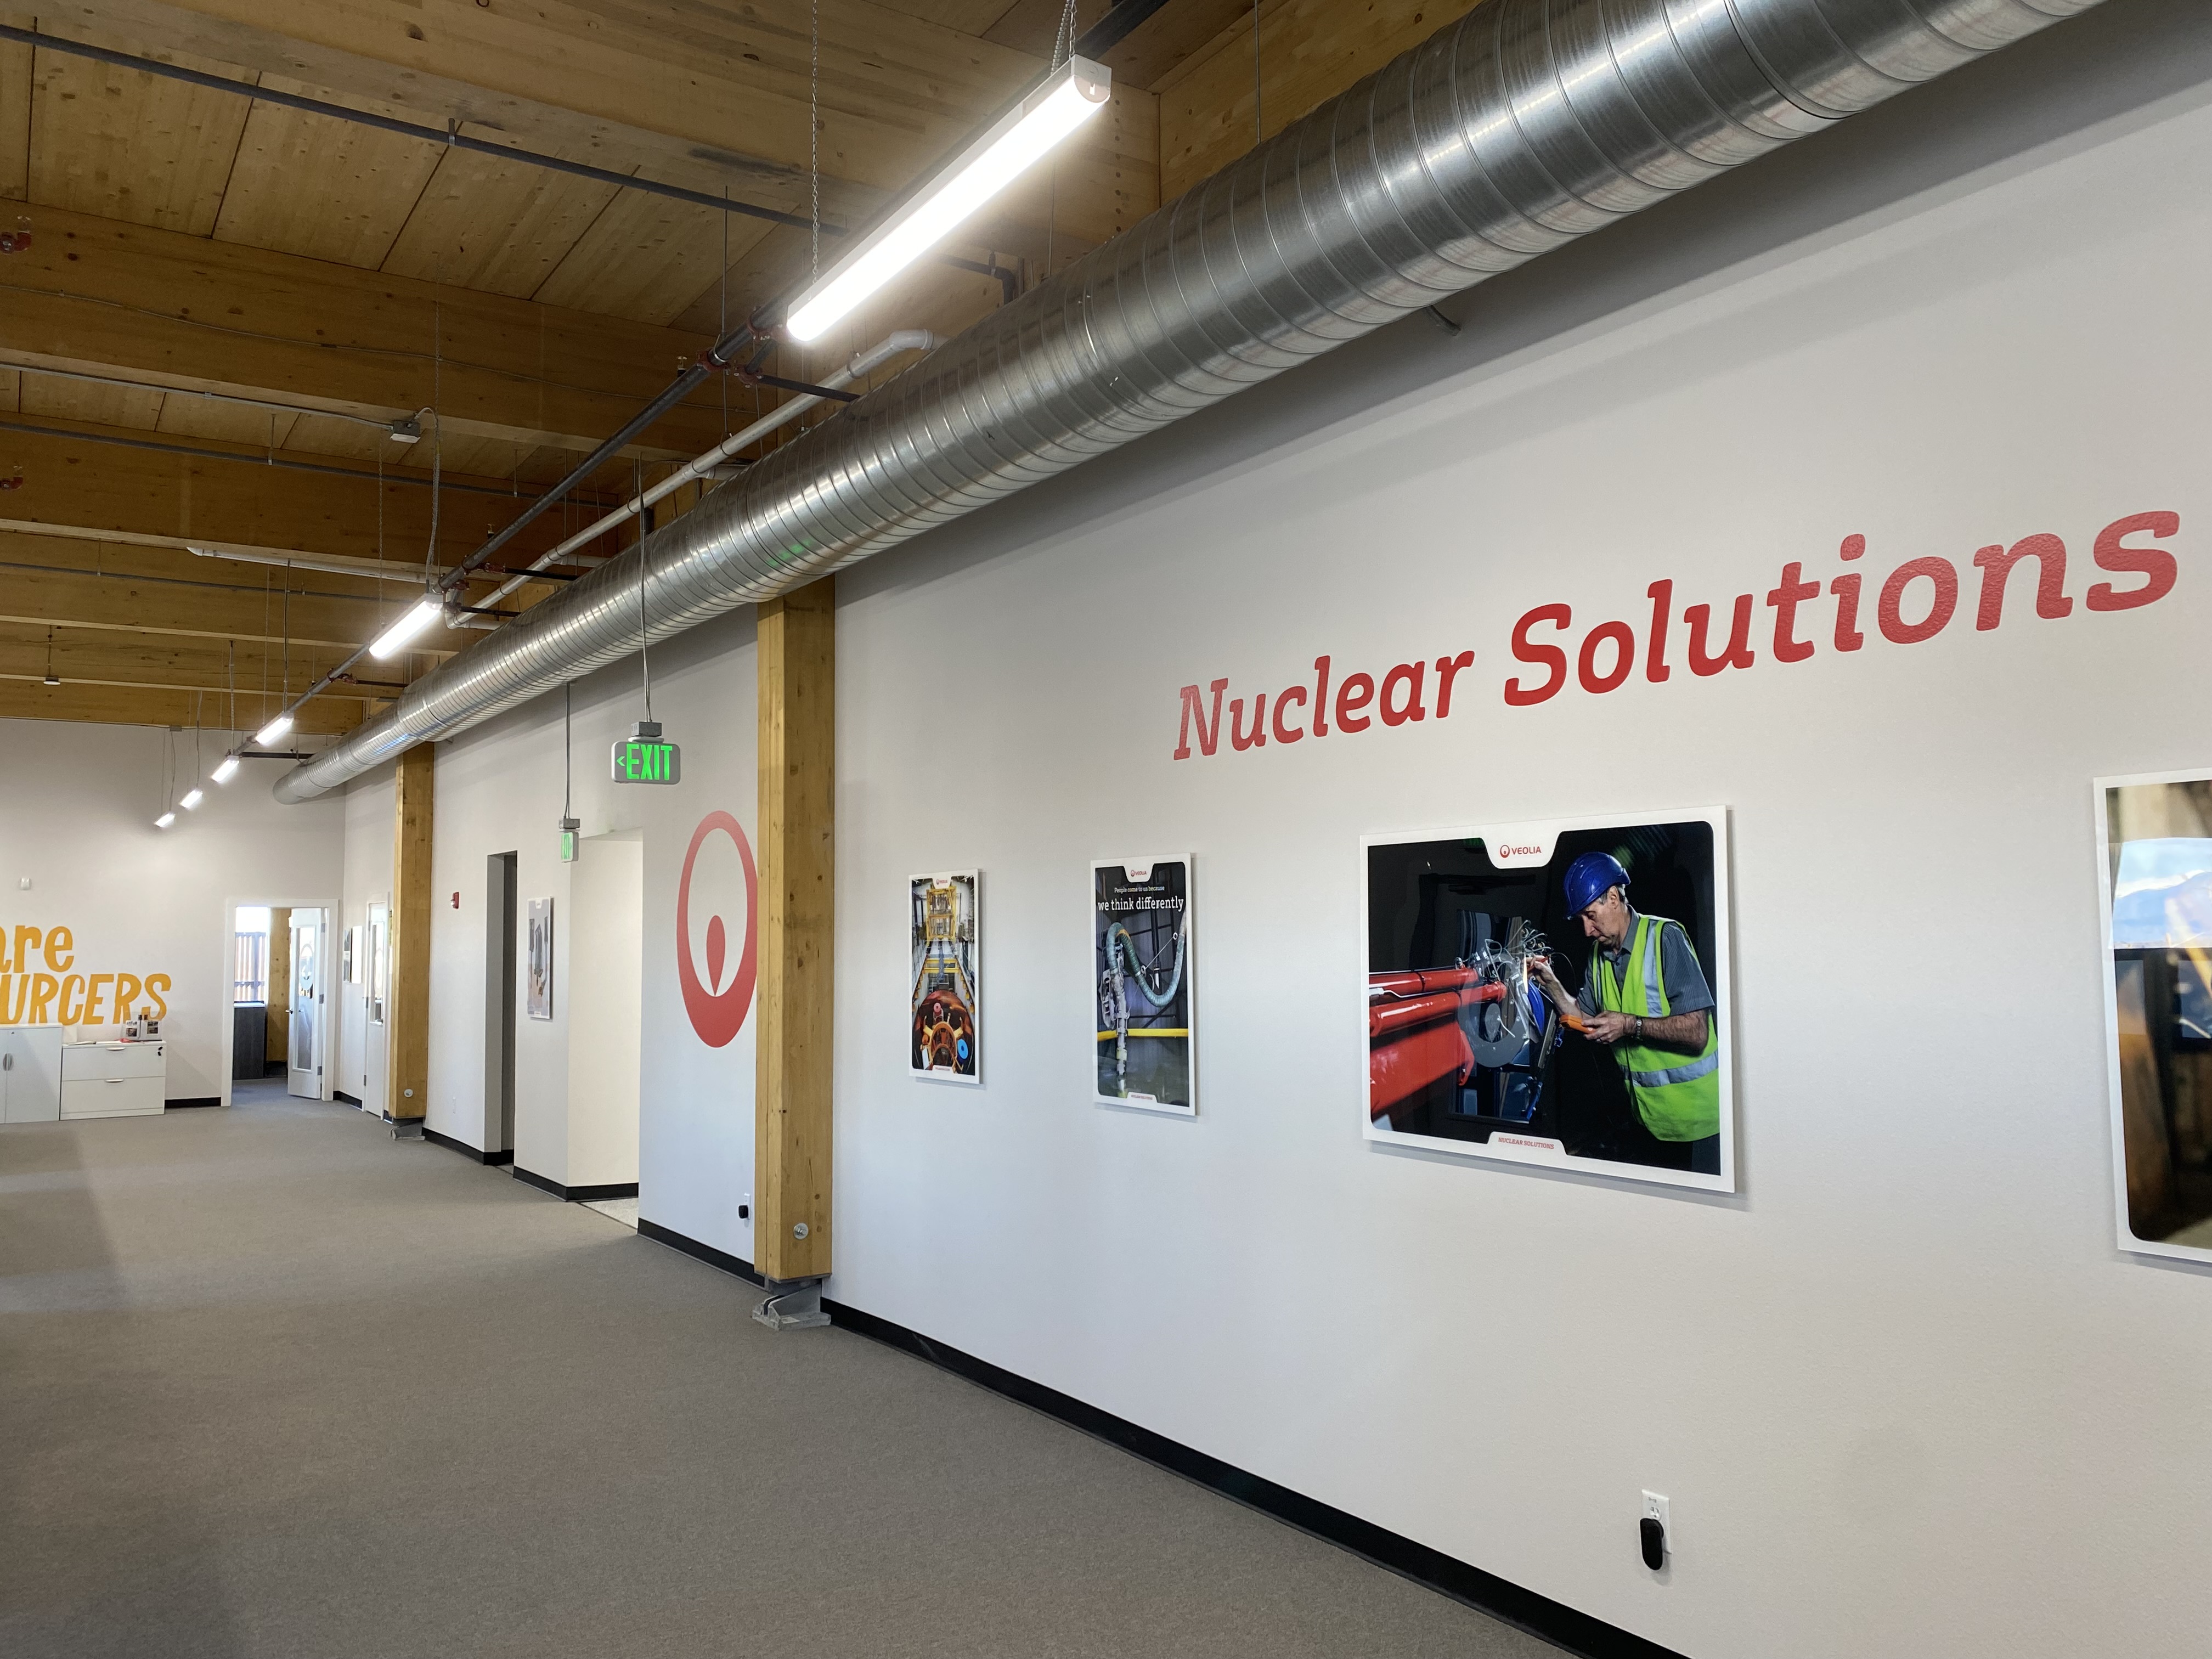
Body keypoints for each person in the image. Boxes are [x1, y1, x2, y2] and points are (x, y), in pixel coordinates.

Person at [1530, 851, 1723, 1174]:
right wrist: (1549, 982)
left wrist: (1630, 1025)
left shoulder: (1666, 938)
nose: (1587, 930)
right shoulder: (1598, 955)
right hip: (1648, 1123)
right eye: (1580, 920)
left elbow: (1697, 1033)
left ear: (1614, 898)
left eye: (1591, 916)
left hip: (1701, 1125)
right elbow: (1582, 1018)